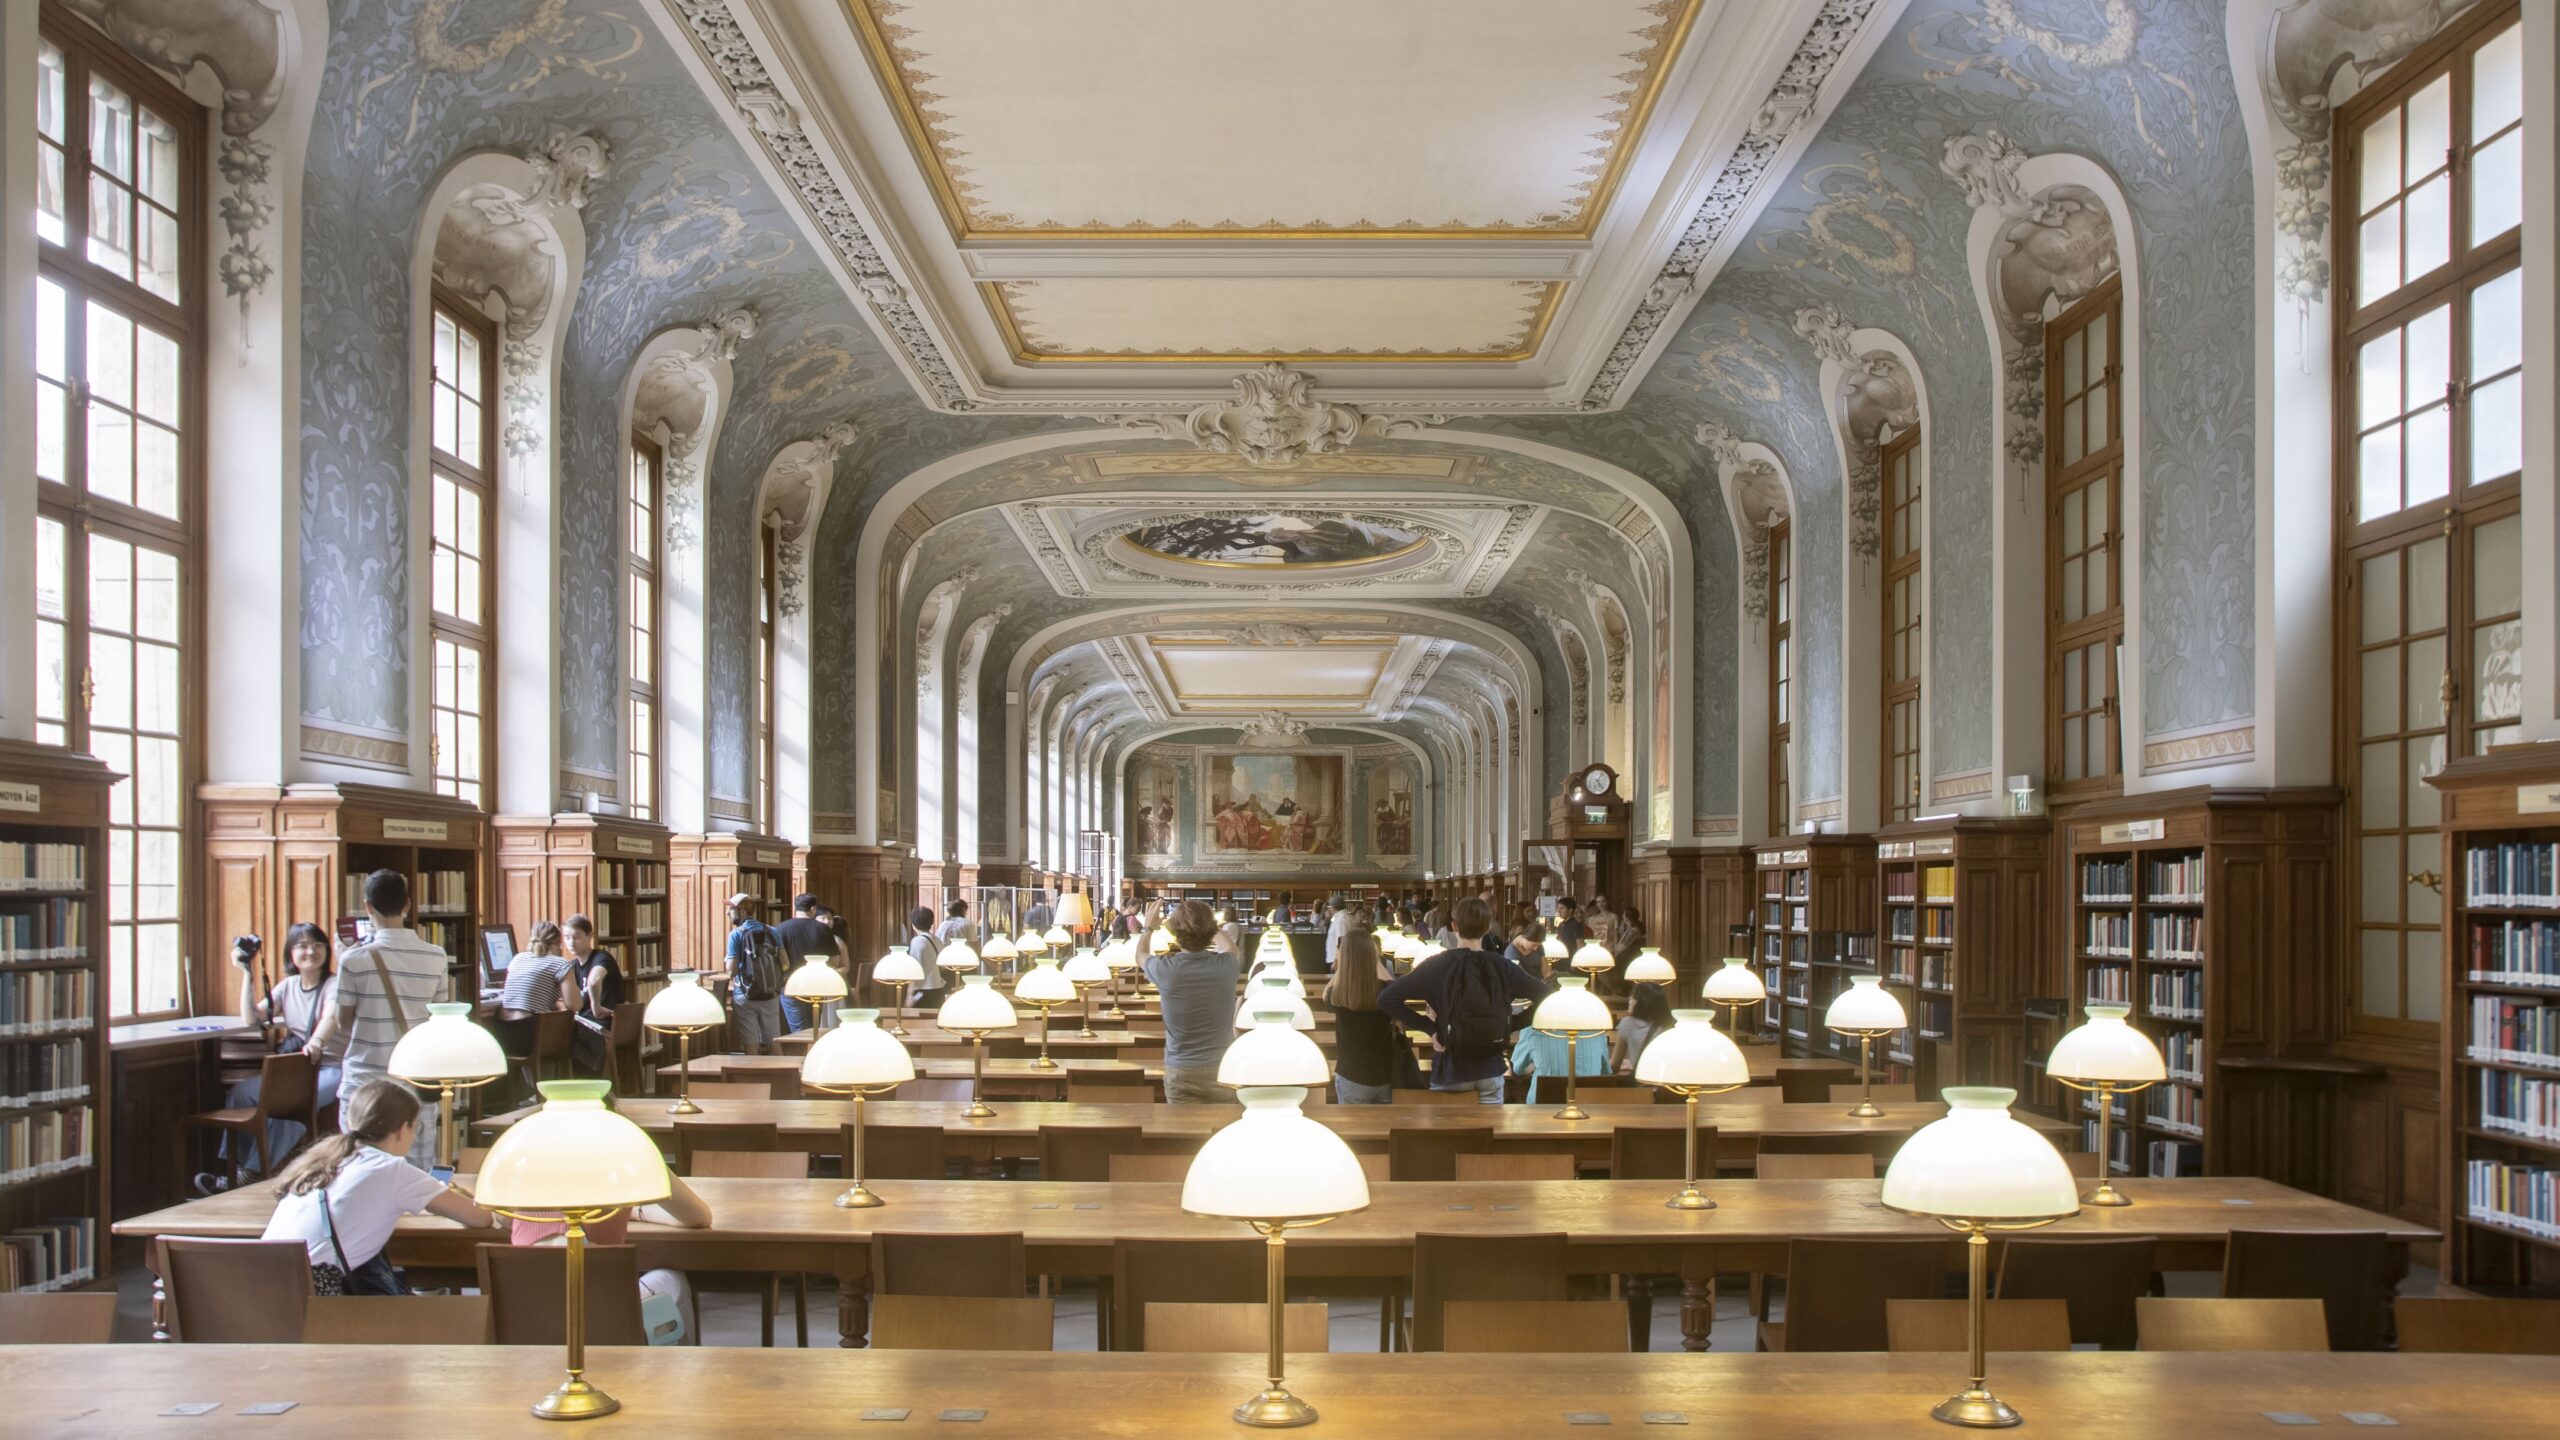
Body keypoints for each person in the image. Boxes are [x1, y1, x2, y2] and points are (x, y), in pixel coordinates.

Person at [261, 1079, 492, 1295]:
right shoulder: (391, 1169)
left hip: (265, 1290)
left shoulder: (324, 1160)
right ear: (403, 1129)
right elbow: (481, 1218)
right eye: (416, 1127)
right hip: (316, 1299)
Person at [305, 869, 452, 1168]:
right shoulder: (436, 956)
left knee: (358, 1165)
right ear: (408, 905)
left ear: (367, 906)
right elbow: (440, 1019)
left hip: (364, 1079)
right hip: (414, 1077)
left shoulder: (354, 960)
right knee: (417, 1169)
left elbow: (344, 1022)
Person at [200, 925, 344, 1195]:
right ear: (290, 952)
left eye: (318, 945)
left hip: (332, 1067)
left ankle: (255, 1173)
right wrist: (246, 974)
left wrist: (316, 1042)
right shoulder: (288, 986)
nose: (310, 951)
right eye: (302, 946)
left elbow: (331, 1016)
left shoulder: (334, 984)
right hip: (300, 1068)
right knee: (240, 1095)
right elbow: (251, 1019)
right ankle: (236, 1170)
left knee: (285, 1104)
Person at [510, 1162, 715, 1344]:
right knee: (673, 1278)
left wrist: (632, 1210)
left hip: (528, 1326)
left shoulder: (527, 1159)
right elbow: (698, 1216)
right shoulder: (626, 1154)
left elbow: (501, 1218)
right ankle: (683, 1378)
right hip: (609, 1325)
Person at [1380, 897, 1552, 1103]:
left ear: (1453, 927)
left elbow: (1387, 998)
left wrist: (1430, 1028)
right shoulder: (1503, 966)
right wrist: (1511, 1025)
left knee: (1452, 1133)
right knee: (1491, 1132)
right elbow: (1547, 997)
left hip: (1451, 1067)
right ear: (1488, 928)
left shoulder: (1437, 965)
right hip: (1491, 1067)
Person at [1143, 900, 1238, 1104]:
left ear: (1174, 933)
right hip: (1222, 1067)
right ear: (1211, 930)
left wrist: (1149, 927)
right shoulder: (1227, 966)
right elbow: (1229, 946)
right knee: (1223, 1130)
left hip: (1181, 1071)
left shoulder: (1165, 970)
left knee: (1184, 1134)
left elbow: (1140, 955)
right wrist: (1207, 925)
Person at [1323, 930, 1402, 1104]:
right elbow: (1395, 989)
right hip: (1384, 1075)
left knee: (1352, 1130)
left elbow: (1325, 994)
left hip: (1351, 1075)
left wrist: (1342, 964)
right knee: (1384, 1129)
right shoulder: (1386, 991)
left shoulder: (1337, 995)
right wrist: (1374, 959)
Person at [495, 921, 577, 1087]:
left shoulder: (517, 959)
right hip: (528, 1035)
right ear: (556, 943)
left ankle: (533, 1091)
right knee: (575, 1034)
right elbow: (574, 1005)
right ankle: (556, 1089)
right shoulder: (559, 963)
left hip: (504, 1033)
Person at [1511, 994, 1611, 1103]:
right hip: (1588, 1107)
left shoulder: (1531, 1032)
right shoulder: (1598, 1032)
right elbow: (1606, 1071)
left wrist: (1537, 1064)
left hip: (1541, 1107)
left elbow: (1517, 1069)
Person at [724, 892, 786, 1055]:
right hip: (770, 994)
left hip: (745, 994)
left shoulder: (736, 934)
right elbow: (786, 962)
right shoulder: (772, 931)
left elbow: (731, 970)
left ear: (742, 912)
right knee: (773, 1042)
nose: (727, 913)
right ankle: (783, 1078)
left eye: (730, 909)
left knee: (751, 1045)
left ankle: (753, 1078)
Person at [775, 893, 843, 1034]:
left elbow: (777, 960)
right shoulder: (823, 929)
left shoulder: (780, 929)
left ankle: (803, 1054)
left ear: (795, 908)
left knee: (799, 1031)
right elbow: (835, 961)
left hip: (790, 986)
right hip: (817, 985)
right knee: (814, 1029)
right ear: (812, 909)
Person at [1613, 982, 1675, 1074]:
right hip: (1666, 1081)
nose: (1629, 999)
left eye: (1633, 997)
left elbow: (1614, 1065)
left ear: (1642, 1001)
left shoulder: (1628, 1023)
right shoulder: (1670, 1025)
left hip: (1642, 1082)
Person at [905, 906, 949, 1012]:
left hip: (923, 990)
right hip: (938, 988)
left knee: (918, 1024)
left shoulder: (917, 941)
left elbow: (915, 970)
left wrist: (909, 994)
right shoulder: (936, 940)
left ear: (913, 925)